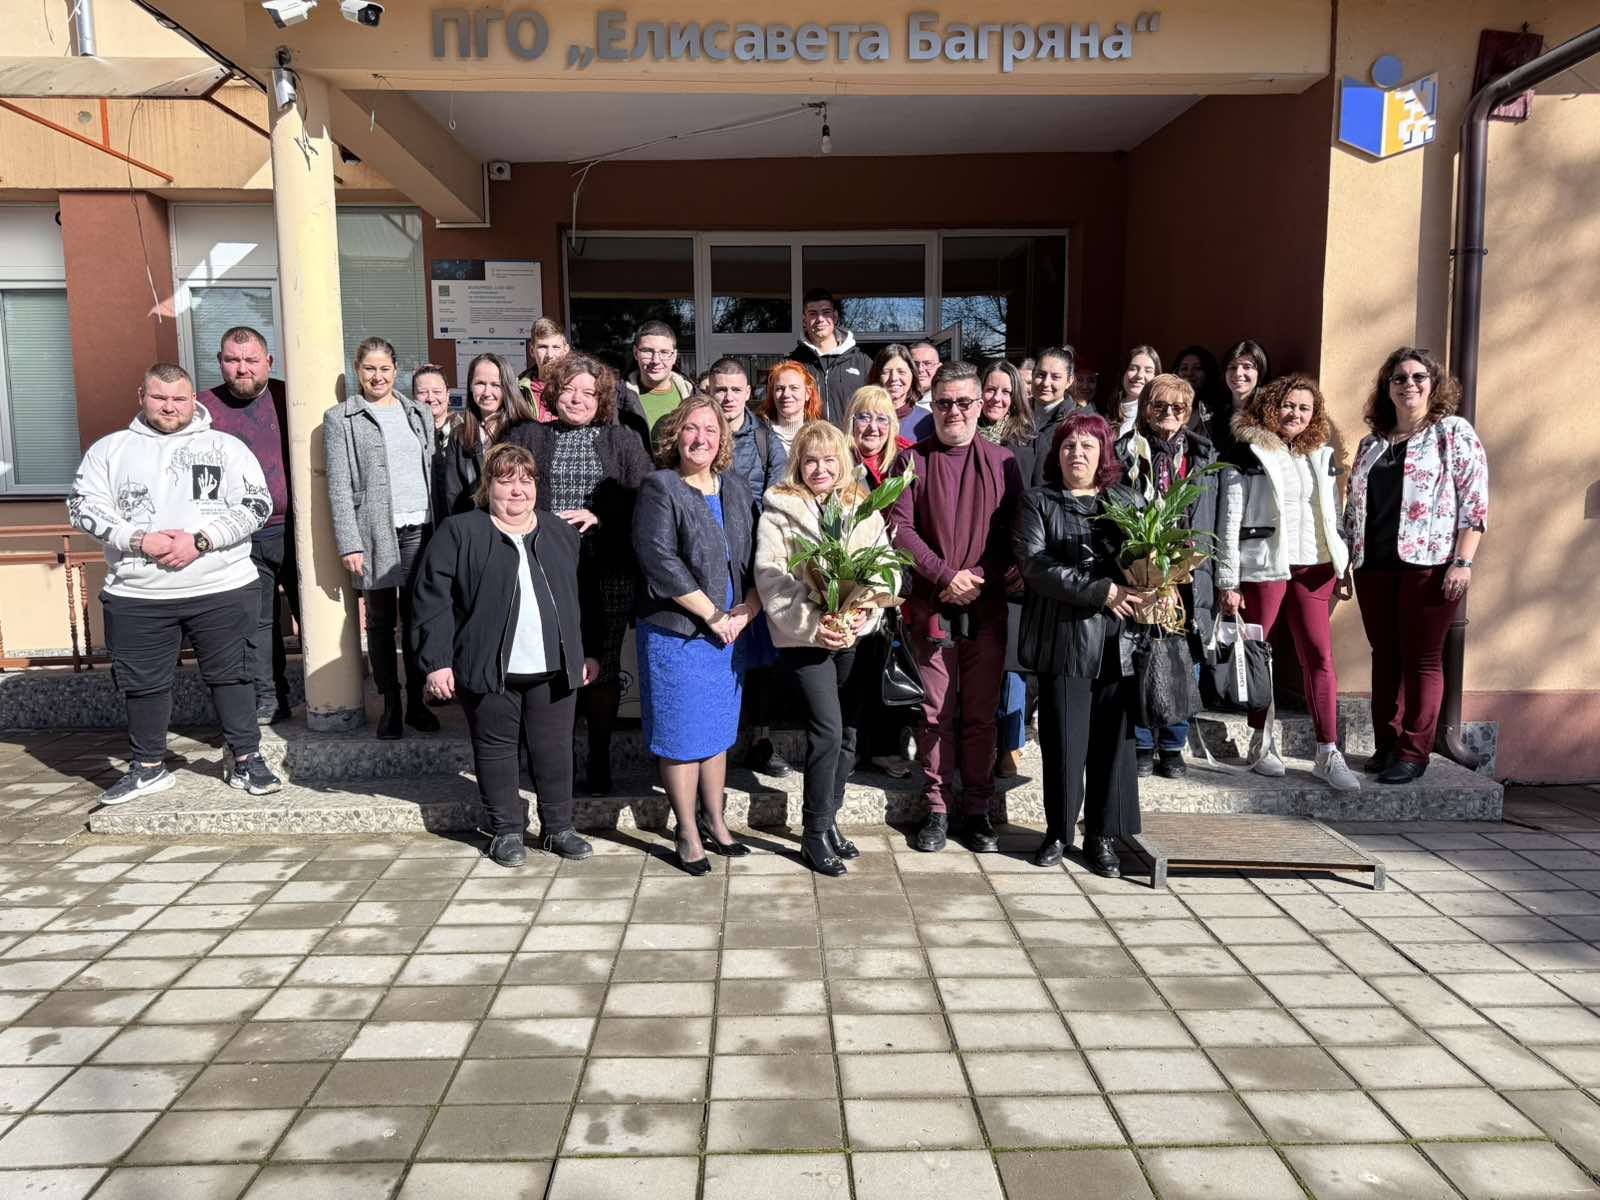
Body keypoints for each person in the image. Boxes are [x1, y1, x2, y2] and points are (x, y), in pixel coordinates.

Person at [68, 362, 281, 803]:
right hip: (138, 592)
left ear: (193, 400)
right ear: (141, 397)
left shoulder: (226, 447)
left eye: (179, 398)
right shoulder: (110, 450)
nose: (170, 407)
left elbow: (257, 505)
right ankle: (148, 768)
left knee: (234, 677)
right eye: (160, 398)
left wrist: (201, 540)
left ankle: (246, 759)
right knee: (142, 685)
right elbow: (83, 507)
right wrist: (138, 539)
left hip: (221, 586)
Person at [413, 443, 600, 868]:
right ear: (488, 486)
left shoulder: (561, 533)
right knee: (495, 751)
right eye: (506, 480)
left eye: (526, 480)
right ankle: (506, 831)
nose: (518, 490)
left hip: (554, 667)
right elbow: (431, 601)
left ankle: (558, 828)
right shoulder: (460, 532)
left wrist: (589, 651)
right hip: (488, 665)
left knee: (555, 750)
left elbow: (585, 598)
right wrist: (437, 661)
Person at [504, 353, 654, 795]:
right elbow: (505, 490)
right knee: (551, 664)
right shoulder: (529, 435)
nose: (577, 399)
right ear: (553, 393)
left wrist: (600, 515)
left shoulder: (623, 440)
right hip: (545, 569)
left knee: (601, 666)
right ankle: (555, 762)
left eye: (588, 392)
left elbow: (644, 497)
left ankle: (600, 760)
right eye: (569, 389)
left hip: (606, 569)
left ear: (602, 398)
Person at [889, 362, 1024, 854]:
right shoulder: (912, 461)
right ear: (934, 404)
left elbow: (1015, 534)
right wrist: (945, 576)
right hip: (934, 603)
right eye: (944, 403)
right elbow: (901, 530)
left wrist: (978, 577)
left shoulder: (1004, 462)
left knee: (981, 714)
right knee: (935, 713)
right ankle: (938, 807)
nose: (954, 412)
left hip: (986, 607)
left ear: (980, 405)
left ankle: (978, 809)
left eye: (964, 402)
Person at [755, 421, 897, 875]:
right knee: (828, 731)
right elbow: (772, 578)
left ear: (843, 462)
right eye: (811, 460)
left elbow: (886, 569)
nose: (820, 469)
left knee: (849, 734)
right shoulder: (779, 510)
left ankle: (830, 818)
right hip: (805, 641)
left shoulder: (861, 506)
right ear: (798, 463)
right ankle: (813, 833)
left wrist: (860, 615)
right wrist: (816, 625)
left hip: (853, 637)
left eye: (829, 460)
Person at [1343, 346, 1488, 784]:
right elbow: (1353, 508)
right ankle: (1387, 744)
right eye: (1399, 378)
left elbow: (1474, 502)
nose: (1409, 384)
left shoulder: (1452, 433)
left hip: (1430, 565)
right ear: (1387, 388)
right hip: (1373, 565)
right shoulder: (1371, 444)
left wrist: (1462, 561)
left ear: (1433, 384)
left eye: (1418, 377)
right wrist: (1346, 562)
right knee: (1384, 656)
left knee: (1422, 659)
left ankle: (1414, 751)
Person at [1013, 410, 1148, 875]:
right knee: (1063, 743)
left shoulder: (1127, 500)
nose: (1077, 453)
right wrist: (1102, 591)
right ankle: (1058, 832)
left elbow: (1150, 557)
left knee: (1113, 745)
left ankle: (1103, 836)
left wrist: (1156, 586)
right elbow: (1035, 565)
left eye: (1088, 445)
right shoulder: (1038, 502)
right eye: (1069, 445)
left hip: (1118, 642)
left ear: (1103, 453)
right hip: (1064, 640)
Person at [632, 396, 762, 874]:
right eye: (691, 428)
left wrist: (748, 609)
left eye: (710, 429)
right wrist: (713, 615)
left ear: (723, 438)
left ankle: (715, 819)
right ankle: (686, 830)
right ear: (675, 435)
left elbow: (757, 556)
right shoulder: (660, 486)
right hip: (679, 635)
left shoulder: (737, 487)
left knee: (717, 730)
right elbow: (659, 560)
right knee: (681, 735)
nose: (700, 438)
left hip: (729, 634)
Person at [1217, 374, 1358, 790]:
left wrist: (1342, 565)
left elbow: (1332, 514)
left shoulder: (1320, 454)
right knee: (1260, 655)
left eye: (1304, 408)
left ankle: (1327, 752)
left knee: (1319, 655)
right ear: (1271, 406)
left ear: (1314, 415)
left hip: (1314, 568)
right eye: (1288, 405)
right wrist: (1228, 580)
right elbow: (1229, 520)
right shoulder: (1248, 452)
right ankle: (1261, 742)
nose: (1295, 413)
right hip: (1265, 566)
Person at [323, 336, 437, 739]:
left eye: (385, 368)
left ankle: (418, 702)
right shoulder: (341, 418)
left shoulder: (418, 412)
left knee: (419, 618)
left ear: (396, 370)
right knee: (381, 621)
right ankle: (391, 703)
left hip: (420, 528)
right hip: (374, 532)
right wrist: (349, 542)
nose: (377, 376)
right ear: (357, 370)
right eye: (369, 368)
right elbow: (338, 485)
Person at [1115, 374, 1219, 779]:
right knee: (1140, 654)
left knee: (1183, 656)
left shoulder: (1204, 456)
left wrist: (1222, 577)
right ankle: (1142, 742)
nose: (1169, 414)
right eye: (1160, 406)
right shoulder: (1126, 452)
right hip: (1141, 569)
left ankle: (1173, 745)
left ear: (1189, 412)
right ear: (1146, 409)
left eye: (1179, 408)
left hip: (1191, 574)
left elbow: (1218, 518)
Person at [200, 326, 298, 725]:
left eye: (251, 360)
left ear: (268, 362)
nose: (242, 368)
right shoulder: (203, 409)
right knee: (258, 623)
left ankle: (335, 695)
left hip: (298, 529)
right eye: (233, 360)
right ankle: (270, 697)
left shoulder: (291, 397)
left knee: (317, 615)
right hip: (241, 534)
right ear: (220, 362)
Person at [707, 357, 793, 778]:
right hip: (707, 562)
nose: (727, 397)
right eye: (719, 389)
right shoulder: (697, 432)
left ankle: (761, 739)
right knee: (714, 649)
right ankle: (713, 742)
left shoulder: (764, 439)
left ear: (748, 393)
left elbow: (779, 496)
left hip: (752, 562)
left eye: (734, 390)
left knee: (761, 657)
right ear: (708, 391)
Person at [845, 385, 916, 780]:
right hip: (850, 578)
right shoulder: (839, 460)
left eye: (881, 418)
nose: (872, 426)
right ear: (850, 421)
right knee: (853, 666)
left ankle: (887, 747)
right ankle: (850, 747)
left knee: (887, 660)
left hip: (893, 578)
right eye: (863, 417)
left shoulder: (905, 462)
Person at [978, 359, 1037, 777]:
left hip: (1013, 566)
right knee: (979, 662)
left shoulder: (1027, 442)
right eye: (990, 389)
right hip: (973, 564)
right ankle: (979, 744)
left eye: (1005, 391)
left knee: (1012, 663)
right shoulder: (963, 432)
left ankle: (1010, 745)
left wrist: (1022, 562)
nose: (997, 398)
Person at [441, 353, 537, 517]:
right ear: (470, 387)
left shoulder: (528, 431)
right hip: (474, 525)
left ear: (507, 387)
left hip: (518, 523)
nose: (487, 392)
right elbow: (453, 494)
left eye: (495, 385)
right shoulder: (459, 435)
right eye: (480, 383)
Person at [788, 289, 872, 428]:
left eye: (826, 312)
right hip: (809, 441)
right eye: (813, 313)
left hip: (849, 441)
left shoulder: (862, 362)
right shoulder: (793, 364)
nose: (820, 319)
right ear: (804, 320)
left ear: (835, 317)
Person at [626, 320, 693, 438]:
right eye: (647, 351)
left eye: (664, 352)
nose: (656, 360)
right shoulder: (617, 399)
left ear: (674, 356)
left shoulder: (694, 397)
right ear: (636, 353)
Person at [1210, 339, 1271, 465]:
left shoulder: (1269, 413)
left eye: (1247, 367)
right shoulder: (1213, 413)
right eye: (1232, 367)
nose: (1238, 373)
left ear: (1260, 373)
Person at [412, 363, 458, 527]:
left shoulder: (465, 430)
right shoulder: (408, 434)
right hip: (421, 522)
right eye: (422, 392)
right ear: (413, 396)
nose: (430, 398)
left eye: (437, 392)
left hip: (457, 517)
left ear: (447, 394)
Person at [1028, 346, 1077, 486]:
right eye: (1041, 375)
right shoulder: (1014, 414)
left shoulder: (1076, 423)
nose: (1046, 383)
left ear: (1069, 381)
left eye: (1055, 377)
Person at [870, 344, 931, 444]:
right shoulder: (864, 418)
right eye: (886, 372)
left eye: (901, 372)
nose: (894, 378)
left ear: (913, 375)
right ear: (876, 376)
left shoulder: (927, 420)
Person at [761, 360, 823, 455]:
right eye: (780, 389)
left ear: (808, 393)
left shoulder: (820, 436)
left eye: (794, 388)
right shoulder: (758, 435)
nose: (786, 394)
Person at [1101, 344, 1161, 437]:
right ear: (1123, 372)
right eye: (1133, 368)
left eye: (1148, 371)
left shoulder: (1160, 416)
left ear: (1156, 377)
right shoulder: (1103, 410)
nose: (1139, 375)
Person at [517, 317, 569, 420]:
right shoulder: (517, 390)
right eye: (543, 347)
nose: (550, 355)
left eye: (556, 347)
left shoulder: (577, 388)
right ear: (532, 350)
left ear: (566, 350)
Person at [1173, 344, 1226, 430]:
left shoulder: (1220, 413)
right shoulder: (1168, 409)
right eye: (1184, 368)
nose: (1189, 373)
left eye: (1197, 368)